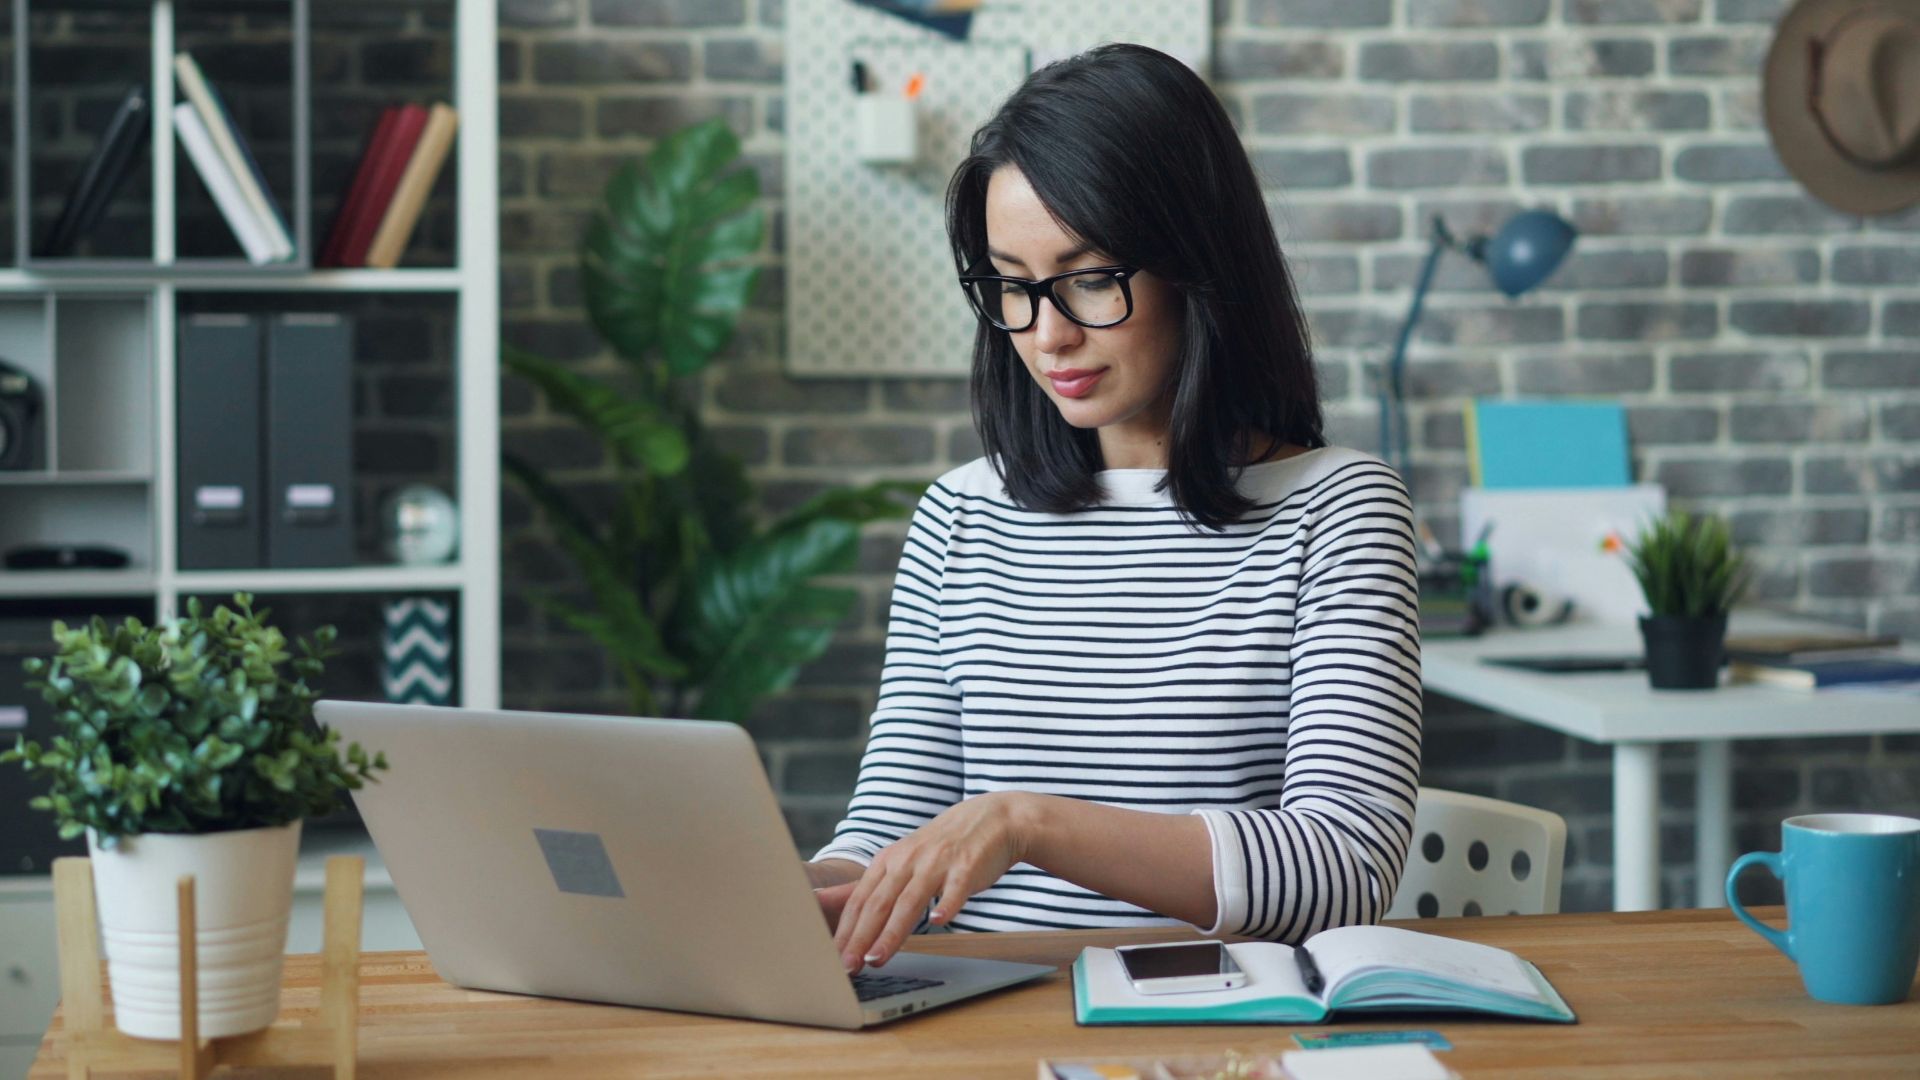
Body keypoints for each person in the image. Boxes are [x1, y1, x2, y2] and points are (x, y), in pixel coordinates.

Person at [805, 43, 1421, 977]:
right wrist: (809, 899)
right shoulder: (961, 515)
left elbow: (1343, 868)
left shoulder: (1336, 511)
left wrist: (1025, 822)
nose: (1047, 334)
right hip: (975, 1017)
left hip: (1216, 1025)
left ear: (1196, 267)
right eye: (1012, 285)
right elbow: (894, 820)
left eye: (1089, 278)